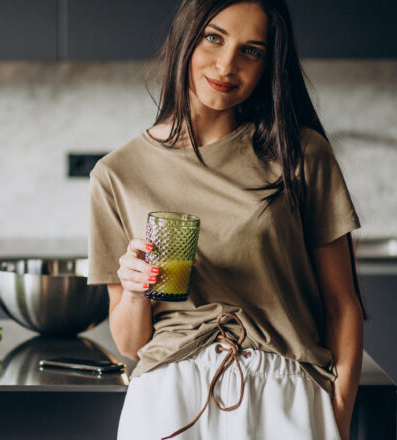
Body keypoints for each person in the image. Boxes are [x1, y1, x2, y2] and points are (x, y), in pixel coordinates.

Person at [87, 0, 364, 439]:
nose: (226, 65)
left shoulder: (300, 154)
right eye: (213, 38)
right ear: (184, 39)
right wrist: (137, 289)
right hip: (169, 399)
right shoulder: (117, 174)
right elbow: (130, 345)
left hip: (285, 393)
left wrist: (339, 413)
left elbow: (343, 305)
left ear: (268, 64)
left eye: (251, 51)